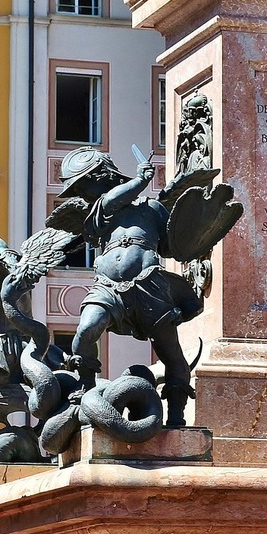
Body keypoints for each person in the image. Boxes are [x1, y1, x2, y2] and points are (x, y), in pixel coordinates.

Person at [61, 149, 203, 426]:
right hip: (108, 287)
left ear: (101, 176)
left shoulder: (153, 209)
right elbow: (114, 200)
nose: (80, 193)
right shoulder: (99, 208)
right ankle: (86, 387)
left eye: (81, 185)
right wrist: (140, 181)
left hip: (150, 285)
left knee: (171, 353)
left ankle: (176, 414)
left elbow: (173, 246)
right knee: (87, 329)